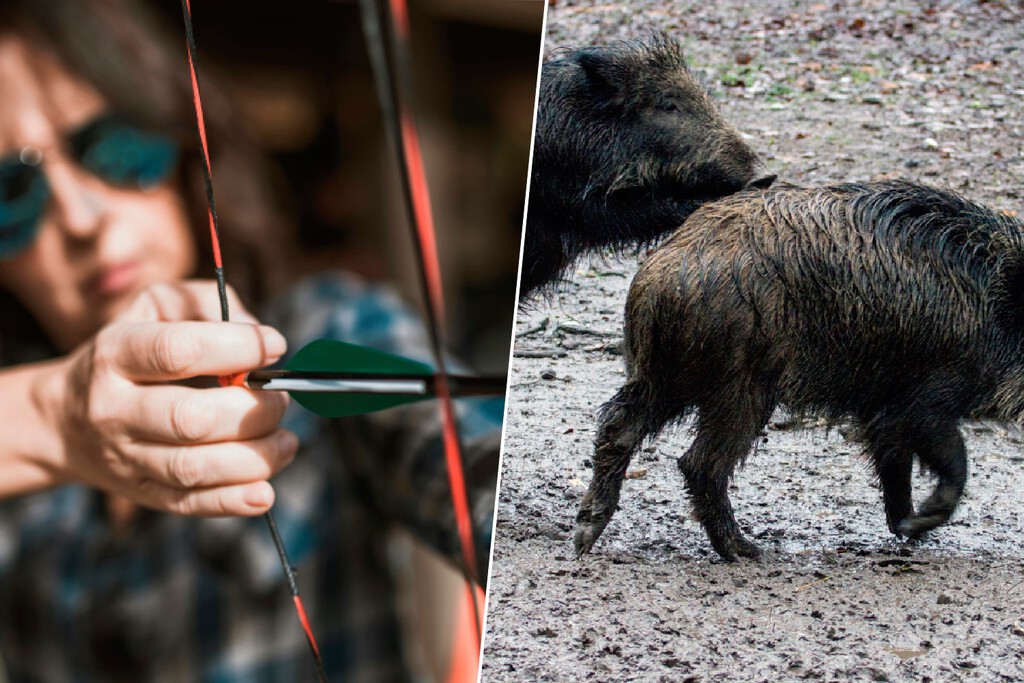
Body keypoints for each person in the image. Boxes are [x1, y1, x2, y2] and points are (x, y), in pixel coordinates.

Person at [0, 1, 500, 681]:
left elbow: (484, 466)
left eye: (111, 144)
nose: (81, 218)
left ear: (177, 134)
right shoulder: (23, 467)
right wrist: (54, 418)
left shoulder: (324, 328)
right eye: (13, 190)